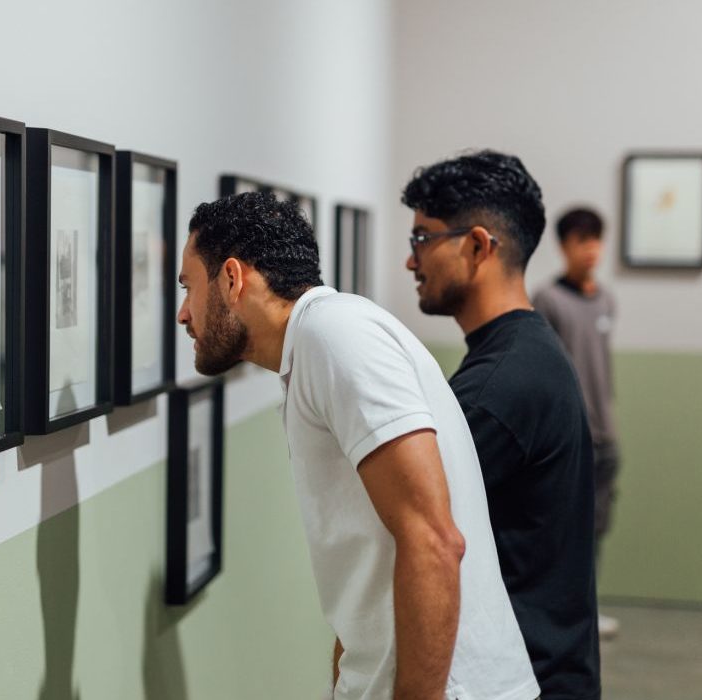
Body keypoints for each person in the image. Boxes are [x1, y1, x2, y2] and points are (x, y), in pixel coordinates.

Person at [178, 192, 538, 700]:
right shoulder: (313, 345)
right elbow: (366, 567)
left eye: (189, 287)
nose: (181, 314)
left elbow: (434, 539)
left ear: (232, 279)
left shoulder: (335, 335)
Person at [401, 151, 601, 700]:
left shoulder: (499, 387)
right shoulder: (525, 354)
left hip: (527, 680)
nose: (410, 261)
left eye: (423, 238)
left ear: (476, 246)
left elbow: (411, 534)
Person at [531, 207, 620, 640]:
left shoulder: (606, 300)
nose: (591, 250)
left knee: (598, 524)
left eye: (596, 240)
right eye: (582, 241)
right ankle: (562, 610)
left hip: (607, 433)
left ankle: (589, 606)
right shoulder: (548, 300)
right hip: (571, 434)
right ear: (564, 246)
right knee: (565, 524)